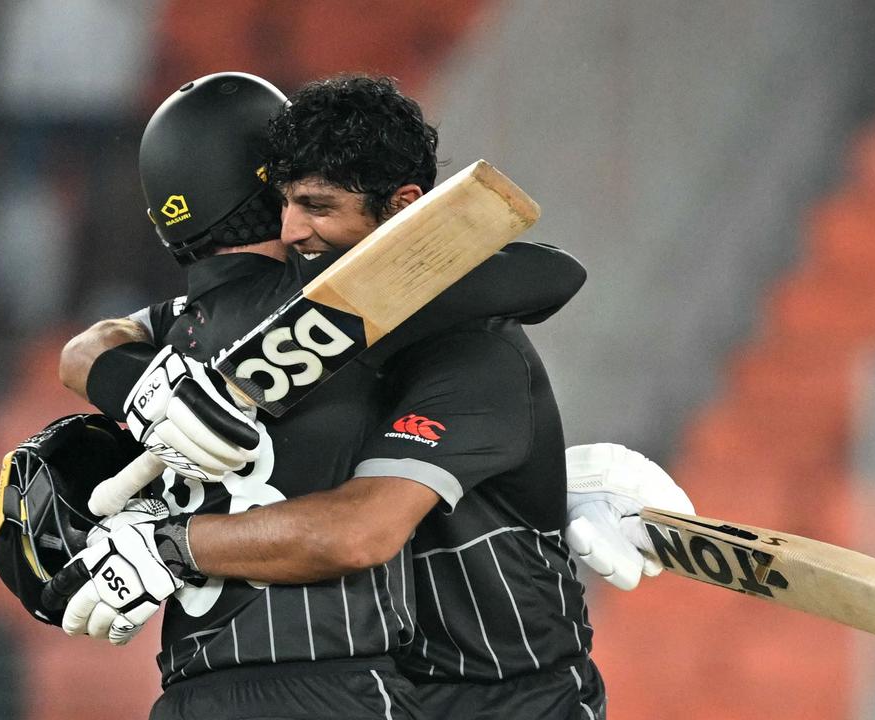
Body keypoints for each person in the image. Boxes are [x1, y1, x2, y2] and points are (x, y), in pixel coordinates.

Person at [53, 74, 696, 719]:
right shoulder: (262, 329)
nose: (292, 229)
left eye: (317, 206)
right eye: (282, 203)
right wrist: (133, 381)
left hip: (512, 700)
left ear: (401, 205)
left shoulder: (467, 339)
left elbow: (362, 526)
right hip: (400, 684)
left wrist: (170, 544)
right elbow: (89, 349)